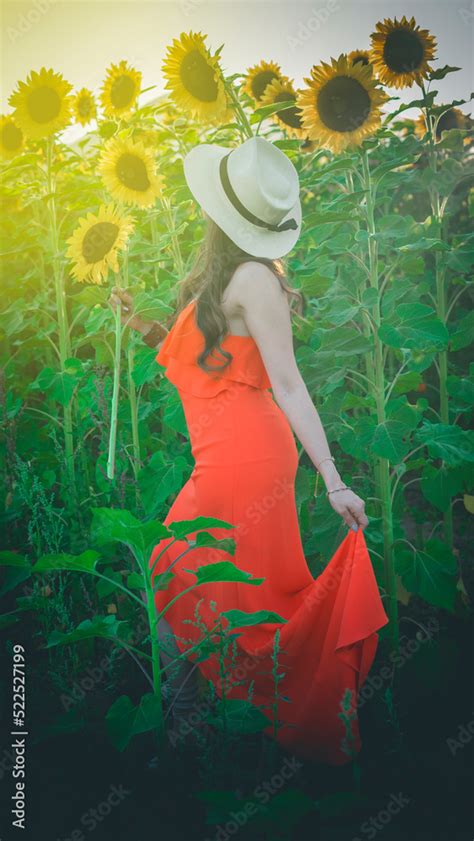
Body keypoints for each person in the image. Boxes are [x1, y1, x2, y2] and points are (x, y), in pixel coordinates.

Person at [110, 136, 388, 763]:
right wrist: (143, 325)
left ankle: (194, 736)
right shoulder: (230, 279)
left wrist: (333, 476)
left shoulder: (255, 280)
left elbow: (286, 381)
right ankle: (221, 733)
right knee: (222, 587)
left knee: (176, 570)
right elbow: (213, 361)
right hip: (230, 452)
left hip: (246, 458)